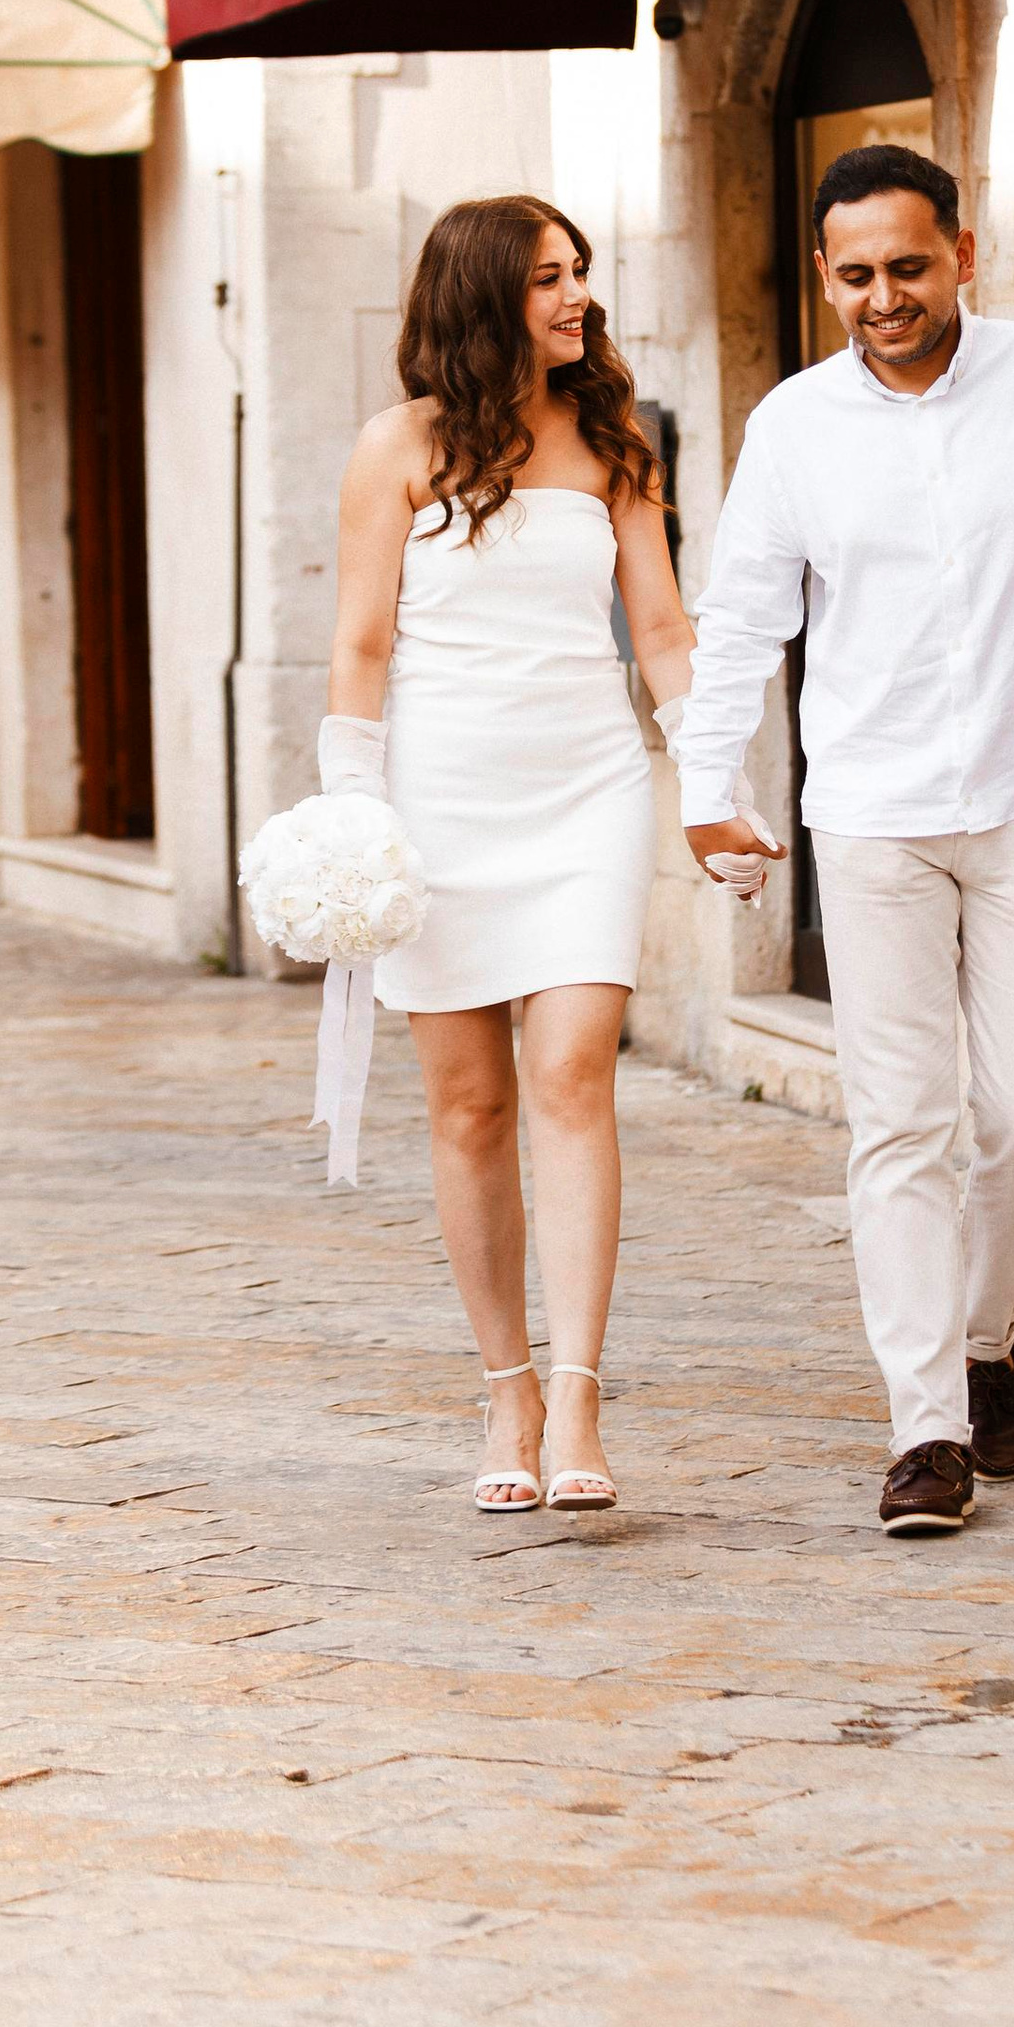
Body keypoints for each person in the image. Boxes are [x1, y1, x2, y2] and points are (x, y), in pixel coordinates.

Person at [675, 142, 1014, 1535]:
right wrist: (705, 779)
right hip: (874, 807)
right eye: (857, 275)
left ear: (966, 252)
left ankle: (986, 1334)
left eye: (909, 266)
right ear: (826, 278)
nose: (884, 296)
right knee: (899, 1123)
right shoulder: (793, 425)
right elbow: (741, 621)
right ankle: (926, 1432)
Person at [324, 194, 695, 1516]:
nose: (577, 296)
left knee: (573, 1071)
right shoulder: (400, 448)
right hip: (440, 800)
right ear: (486, 293)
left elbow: (659, 631)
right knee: (470, 1109)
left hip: (588, 789)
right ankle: (508, 1389)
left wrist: (708, 781)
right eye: (549, 277)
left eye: (581, 272)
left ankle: (585, 1392)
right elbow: (363, 644)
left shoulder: (614, 441)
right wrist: (351, 812)